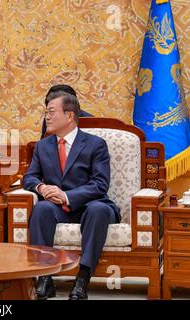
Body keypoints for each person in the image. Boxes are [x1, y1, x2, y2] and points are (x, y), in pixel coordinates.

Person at [23, 90, 120, 300]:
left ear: (69, 115)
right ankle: (45, 278)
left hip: (90, 205)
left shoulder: (96, 144)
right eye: (46, 112)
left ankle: (83, 278)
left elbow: (100, 184)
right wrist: (42, 189)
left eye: (51, 111)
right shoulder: (42, 146)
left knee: (98, 210)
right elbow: (29, 177)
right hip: (58, 209)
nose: (46, 117)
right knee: (41, 208)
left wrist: (66, 195)